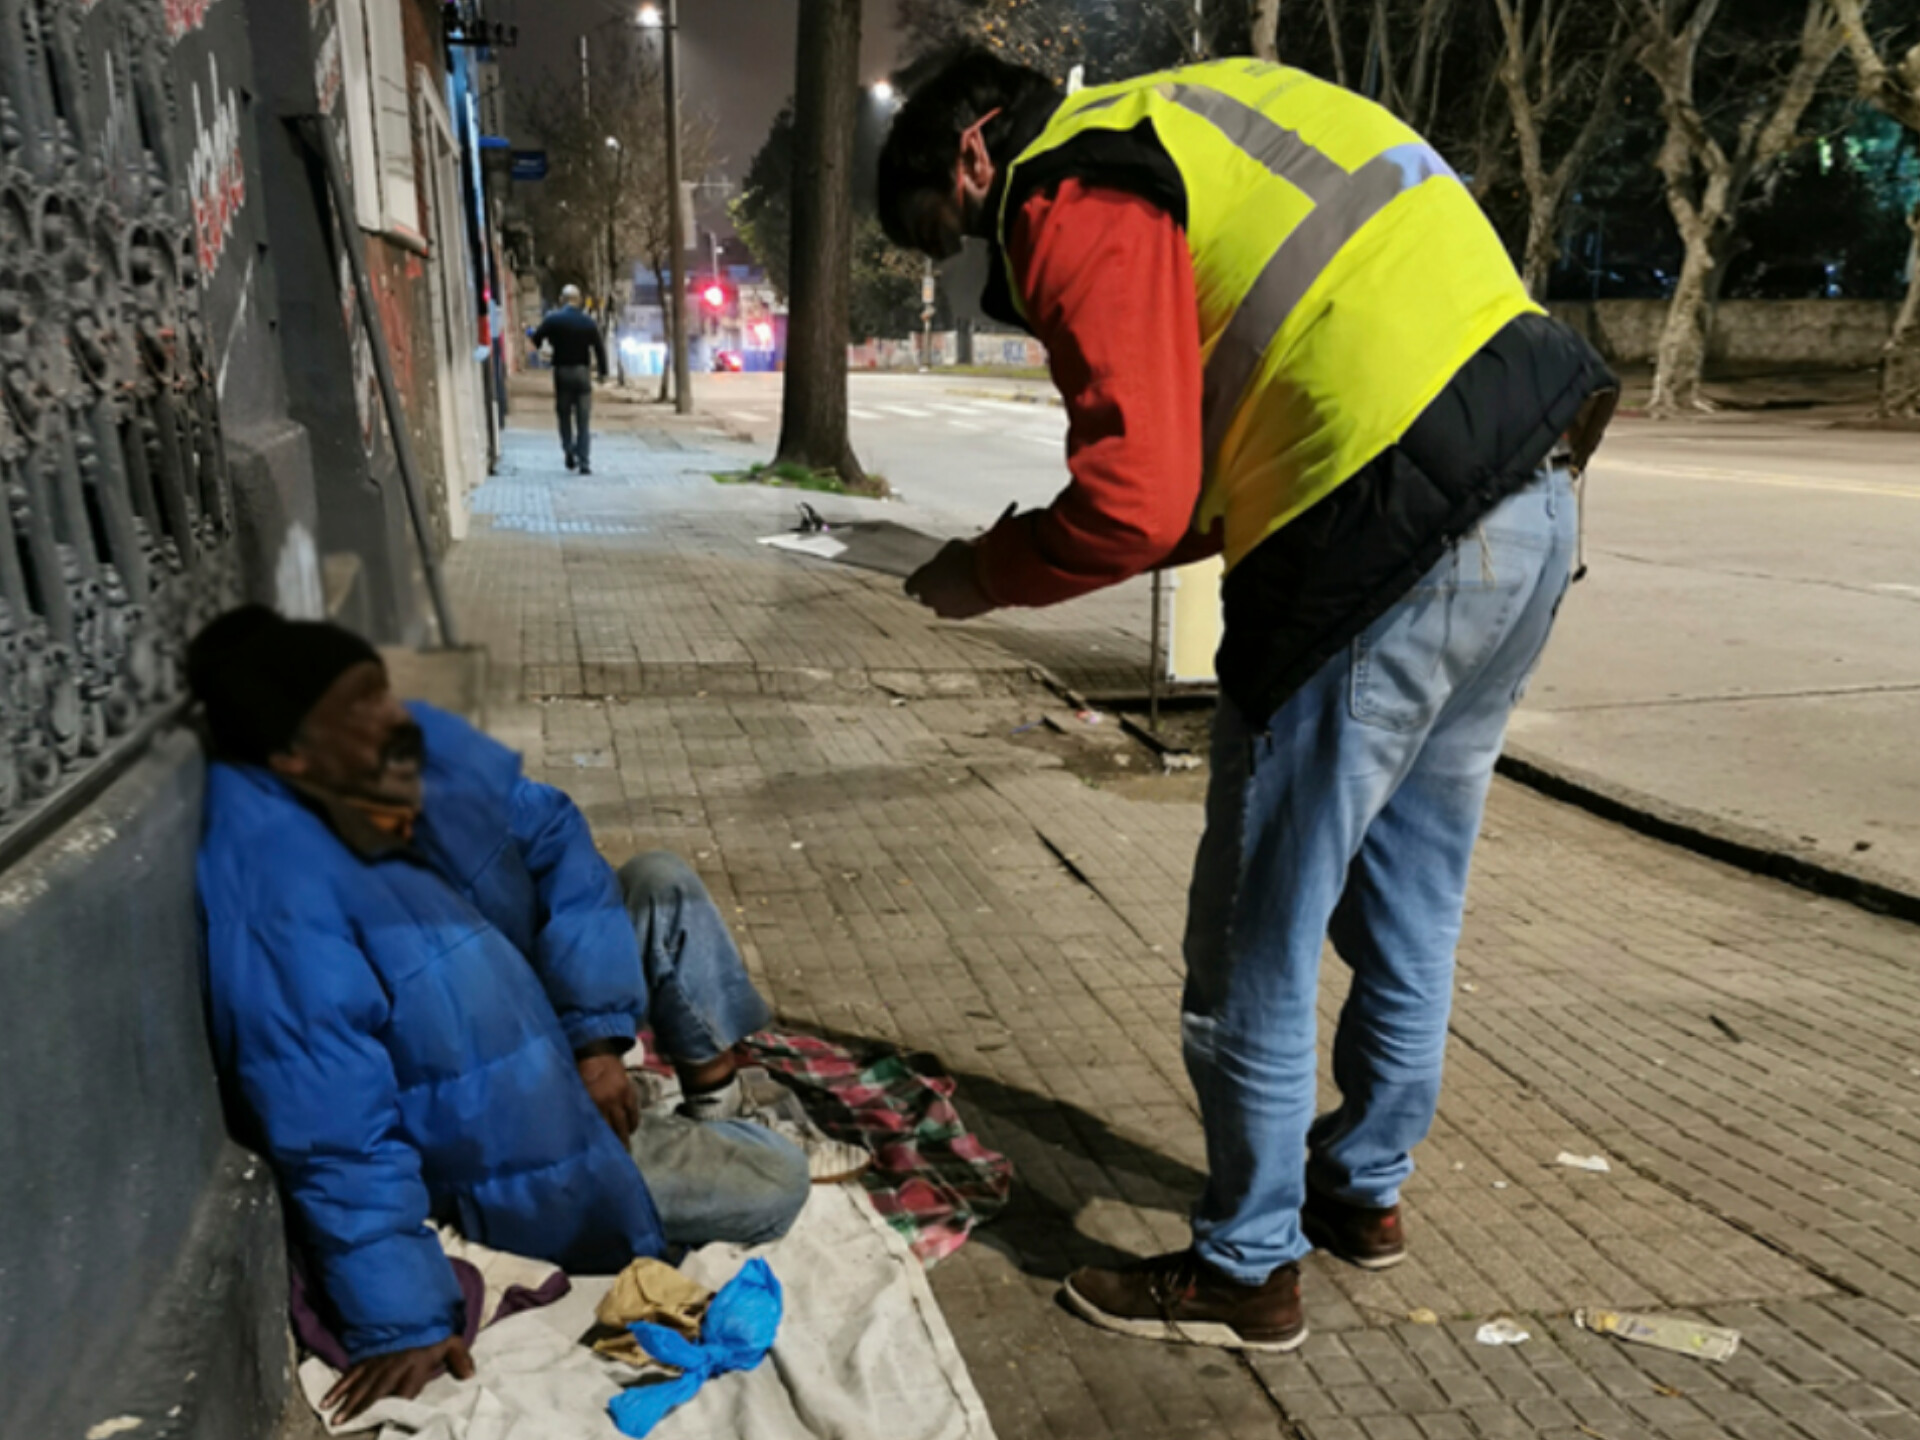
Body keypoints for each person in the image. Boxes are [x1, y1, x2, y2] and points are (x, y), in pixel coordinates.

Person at [878, 51, 1616, 1352]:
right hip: (1531, 498)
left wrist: (981, 575)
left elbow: (1134, 500)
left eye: (946, 231)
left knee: (1248, 948)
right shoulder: (1205, 117)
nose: (966, 267)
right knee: (1414, 900)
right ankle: (1361, 1194)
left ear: (977, 155)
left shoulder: (1073, 187)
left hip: (1377, 538)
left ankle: (1244, 1269)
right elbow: (1197, 499)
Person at [189, 606, 814, 1419]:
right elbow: (333, 1132)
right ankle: (688, 1134)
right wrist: (401, 1315)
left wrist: (594, 1034)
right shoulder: (278, 900)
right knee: (777, 1179)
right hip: (518, 1140)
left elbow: (553, 830)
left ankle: (710, 1100)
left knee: (660, 880)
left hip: (548, 1031)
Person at [529, 284, 607, 474]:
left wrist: (532, 334)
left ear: (562, 300)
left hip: (562, 372)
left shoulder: (553, 319)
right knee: (583, 419)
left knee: (564, 414)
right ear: (579, 300)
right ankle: (585, 461)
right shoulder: (588, 322)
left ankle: (568, 449)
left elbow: (537, 340)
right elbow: (599, 349)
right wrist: (602, 373)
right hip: (582, 373)